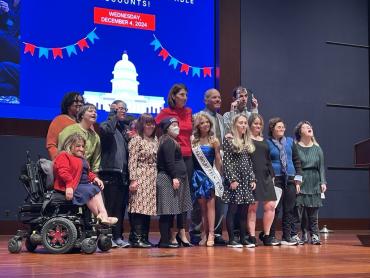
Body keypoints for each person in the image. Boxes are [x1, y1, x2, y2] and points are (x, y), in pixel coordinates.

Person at [155, 83, 193, 246]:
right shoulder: (165, 113)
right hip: (171, 156)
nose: (184, 98)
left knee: (184, 198)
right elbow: (153, 127)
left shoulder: (189, 112)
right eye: (182, 94)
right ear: (174, 96)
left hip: (187, 156)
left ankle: (182, 233)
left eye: (186, 95)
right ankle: (169, 236)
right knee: (172, 199)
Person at [53, 133, 117, 225]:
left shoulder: (81, 158)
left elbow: (87, 172)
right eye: (78, 146)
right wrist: (69, 186)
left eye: (83, 146)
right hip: (74, 185)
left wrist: (95, 178)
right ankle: (101, 217)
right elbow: (63, 172)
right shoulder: (64, 156)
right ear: (70, 145)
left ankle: (103, 216)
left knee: (96, 187)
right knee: (89, 190)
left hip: (84, 185)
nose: (81, 149)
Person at [190, 88, 226, 245]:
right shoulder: (197, 116)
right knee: (200, 207)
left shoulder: (221, 118)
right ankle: (198, 232)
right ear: (206, 100)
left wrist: (220, 172)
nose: (218, 100)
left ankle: (214, 233)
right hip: (199, 168)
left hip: (215, 165)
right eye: (214, 97)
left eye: (219, 97)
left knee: (217, 203)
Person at [265, 117, 302, 246]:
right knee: (274, 209)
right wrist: (269, 177)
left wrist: (298, 179)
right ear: (272, 129)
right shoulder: (267, 143)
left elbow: (297, 161)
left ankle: (287, 237)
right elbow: (266, 162)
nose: (281, 129)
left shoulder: (291, 142)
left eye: (283, 127)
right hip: (276, 179)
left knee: (289, 209)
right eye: (278, 127)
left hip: (291, 178)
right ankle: (270, 236)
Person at [99, 100, 130, 248]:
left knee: (120, 207)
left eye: (125, 109)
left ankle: (117, 237)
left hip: (122, 174)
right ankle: (106, 238)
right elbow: (108, 132)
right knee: (109, 207)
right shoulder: (106, 125)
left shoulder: (124, 129)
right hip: (109, 172)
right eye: (120, 109)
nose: (123, 111)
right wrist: (112, 114)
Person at [222, 114, 256, 248]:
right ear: (235, 125)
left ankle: (243, 238)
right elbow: (227, 162)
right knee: (233, 210)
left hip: (246, 180)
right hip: (235, 180)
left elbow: (249, 162)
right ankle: (231, 239)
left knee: (244, 211)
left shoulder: (246, 141)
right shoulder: (229, 140)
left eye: (245, 123)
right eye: (240, 123)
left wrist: (252, 178)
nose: (243, 125)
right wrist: (232, 179)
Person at [291, 121, 327, 245]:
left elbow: (321, 167)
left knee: (313, 212)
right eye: (305, 127)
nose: (309, 128)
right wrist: (297, 181)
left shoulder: (317, 148)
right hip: (302, 180)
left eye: (310, 126)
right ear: (300, 132)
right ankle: (297, 234)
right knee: (298, 211)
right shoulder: (295, 147)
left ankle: (315, 235)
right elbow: (295, 166)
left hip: (314, 180)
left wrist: (323, 182)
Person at [247, 114, 279, 246]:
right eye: (255, 123)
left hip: (266, 176)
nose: (258, 126)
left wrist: (272, 176)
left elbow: (268, 159)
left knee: (271, 205)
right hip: (252, 176)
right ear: (250, 125)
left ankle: (267, 236)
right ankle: (252, 237)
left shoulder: (264, 140)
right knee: (252, 207)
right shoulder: (246, 140)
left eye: (260, 123)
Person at [128, 113, 158, 248]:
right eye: (147, 123)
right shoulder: (136, 140)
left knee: (148, 208)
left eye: (152, 123)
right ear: (142, 125)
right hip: (140, 175)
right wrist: (133, 179)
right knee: (138, 207)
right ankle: (136, 238)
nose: (150, 126)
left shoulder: (155, 140)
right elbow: (132, 161)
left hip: (152, 177)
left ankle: (144, 238)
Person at [58, 103, 100, 173]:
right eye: (90, 111)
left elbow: (96, 162)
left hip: (85, 174)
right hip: (68, 172)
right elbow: (61, 152)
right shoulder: (69, 130)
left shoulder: (95, 137)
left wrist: (95, 177)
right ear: (82, 115)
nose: (94, 113)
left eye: (95, 112)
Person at [46, 92, 84, 160]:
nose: (80, 104)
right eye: (76, 101)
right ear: (68, 104)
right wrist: (59, 160)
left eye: (81, 102)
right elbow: (51, 144)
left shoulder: (86, 122)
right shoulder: (59, 120)